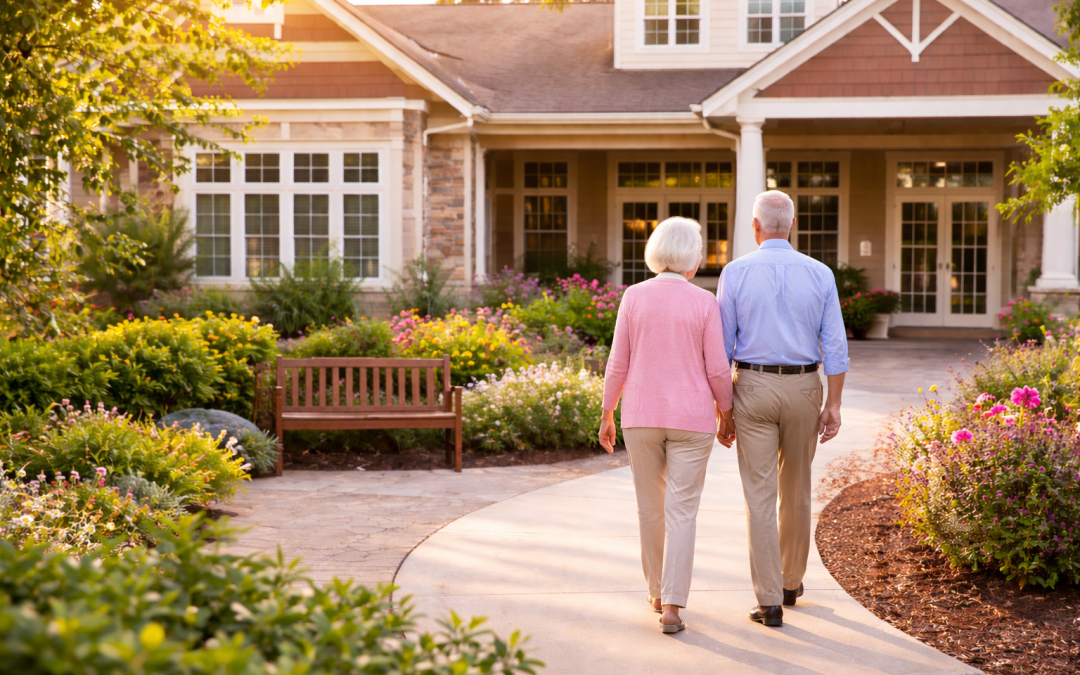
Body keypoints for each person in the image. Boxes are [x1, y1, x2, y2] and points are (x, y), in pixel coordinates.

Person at [716, 190, 849, 628]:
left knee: (759, 495)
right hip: (804, 386)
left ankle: (769, 601)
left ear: (755, 226)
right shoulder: (820, 273)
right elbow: (835, 345)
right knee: (796, 489)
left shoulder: (734, 272)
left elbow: (721, 348)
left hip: (752, 385)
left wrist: (724, 411)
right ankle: (791, 582)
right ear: (792, 225)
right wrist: (834, 403)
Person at [598, 216, 735, 634]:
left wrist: (607, 412)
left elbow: (617, 362)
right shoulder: (704, 302)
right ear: (692, 258)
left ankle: (657, 593)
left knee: (649, 508)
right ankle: (673, 606)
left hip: (641, 416)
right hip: (692, 420)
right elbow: (717, 369)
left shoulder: (633, 297)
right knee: (682, 511)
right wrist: (726, 411)